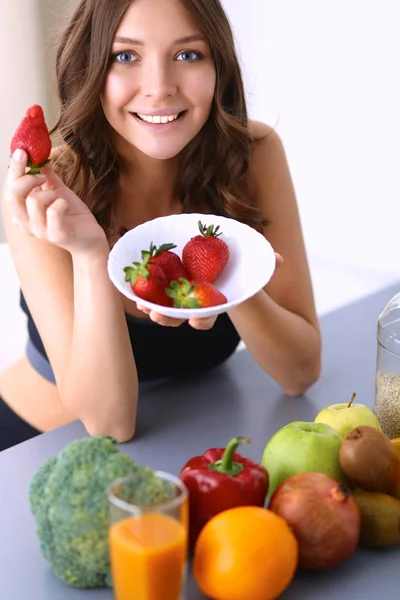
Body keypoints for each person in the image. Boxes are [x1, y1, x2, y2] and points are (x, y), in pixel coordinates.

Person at [0, 0, 321, 452]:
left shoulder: (254, 155)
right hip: (35, 446)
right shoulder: (48, 189)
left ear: (219, 68)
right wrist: (91, 254)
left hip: (193, 440)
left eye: (188, 55)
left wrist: (233, 284)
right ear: (91, 65)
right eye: (125, 56)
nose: (159, 88)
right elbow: (111, 424)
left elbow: (301, 372)